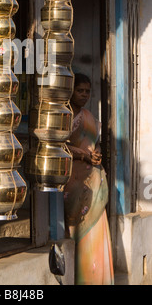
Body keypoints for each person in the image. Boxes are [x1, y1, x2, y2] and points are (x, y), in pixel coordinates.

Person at [63, 73, 114, 285]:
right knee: (74, 230)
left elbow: (95, 144)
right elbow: (57, 145)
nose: (84, 95)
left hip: (92, 180)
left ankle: (95, 278)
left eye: (87, 91)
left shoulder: (89, 118)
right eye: (80, 90)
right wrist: (83, 154)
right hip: (71, 181)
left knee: (95, 230)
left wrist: (96, 154)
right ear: (71, 91)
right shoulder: (62, 116)